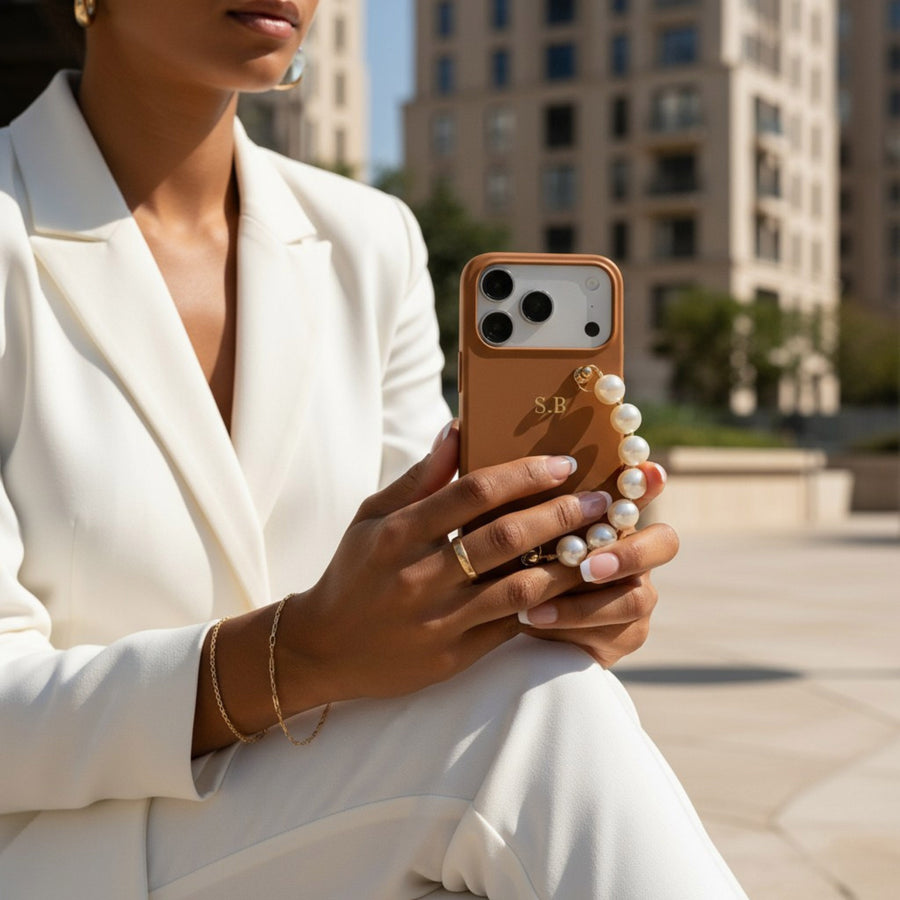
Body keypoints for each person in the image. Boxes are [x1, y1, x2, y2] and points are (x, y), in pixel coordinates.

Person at [0, 1, 747, 897]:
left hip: (316, 814)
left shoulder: (369, 239)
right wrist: (294, 656)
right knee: (524, 726)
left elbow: (425, 586)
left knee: (540, 684)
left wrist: (544, 598)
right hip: (53, 848)